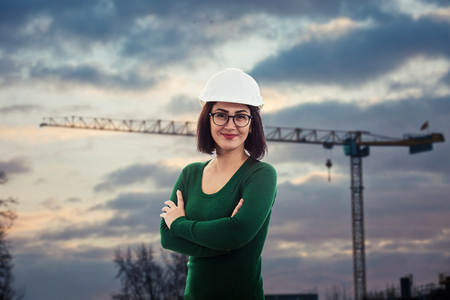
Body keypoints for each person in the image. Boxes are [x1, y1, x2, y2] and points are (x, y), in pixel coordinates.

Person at [160, 68, 277, 300]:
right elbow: (166, 236)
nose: (230, 125)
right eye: (221, 115)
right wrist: (222, 242)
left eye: (241, 116)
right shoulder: (190, 174)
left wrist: (180, 223)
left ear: (252, 124)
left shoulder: (261, 175)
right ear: (208, 119)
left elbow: (237, 233)